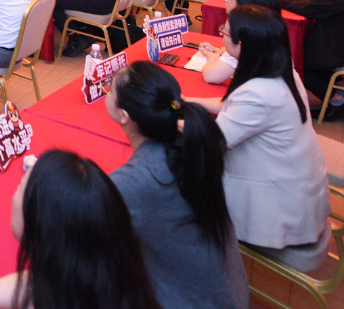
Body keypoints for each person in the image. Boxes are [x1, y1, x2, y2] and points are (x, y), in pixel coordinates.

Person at [0, 150, 160, 309]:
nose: (14, 192)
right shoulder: (102, 275)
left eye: (21, 187)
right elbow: (39, 283)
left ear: (42, 224)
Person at [187, 6, 331, 269]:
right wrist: (189, 101)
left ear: (242, 43)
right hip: (297, 189)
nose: (221, 35)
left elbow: (211, 141)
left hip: (278, 211)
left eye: (224, 32)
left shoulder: (258, 92)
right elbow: (234, 107)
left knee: (184, 182)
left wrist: (167, 118)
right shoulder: (281, 69)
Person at [106, 62, 249, 309]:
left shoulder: (134, 182)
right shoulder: (193, 144)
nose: (107, 90)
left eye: (110, 90)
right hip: (228, 293)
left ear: (124, 116)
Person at [198, 0, 282, 84]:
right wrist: (220, 50)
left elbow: (210, 76)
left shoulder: (247, 36)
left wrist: (211, 57)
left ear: (243, 6)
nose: (225, 0)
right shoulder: (268, 27)